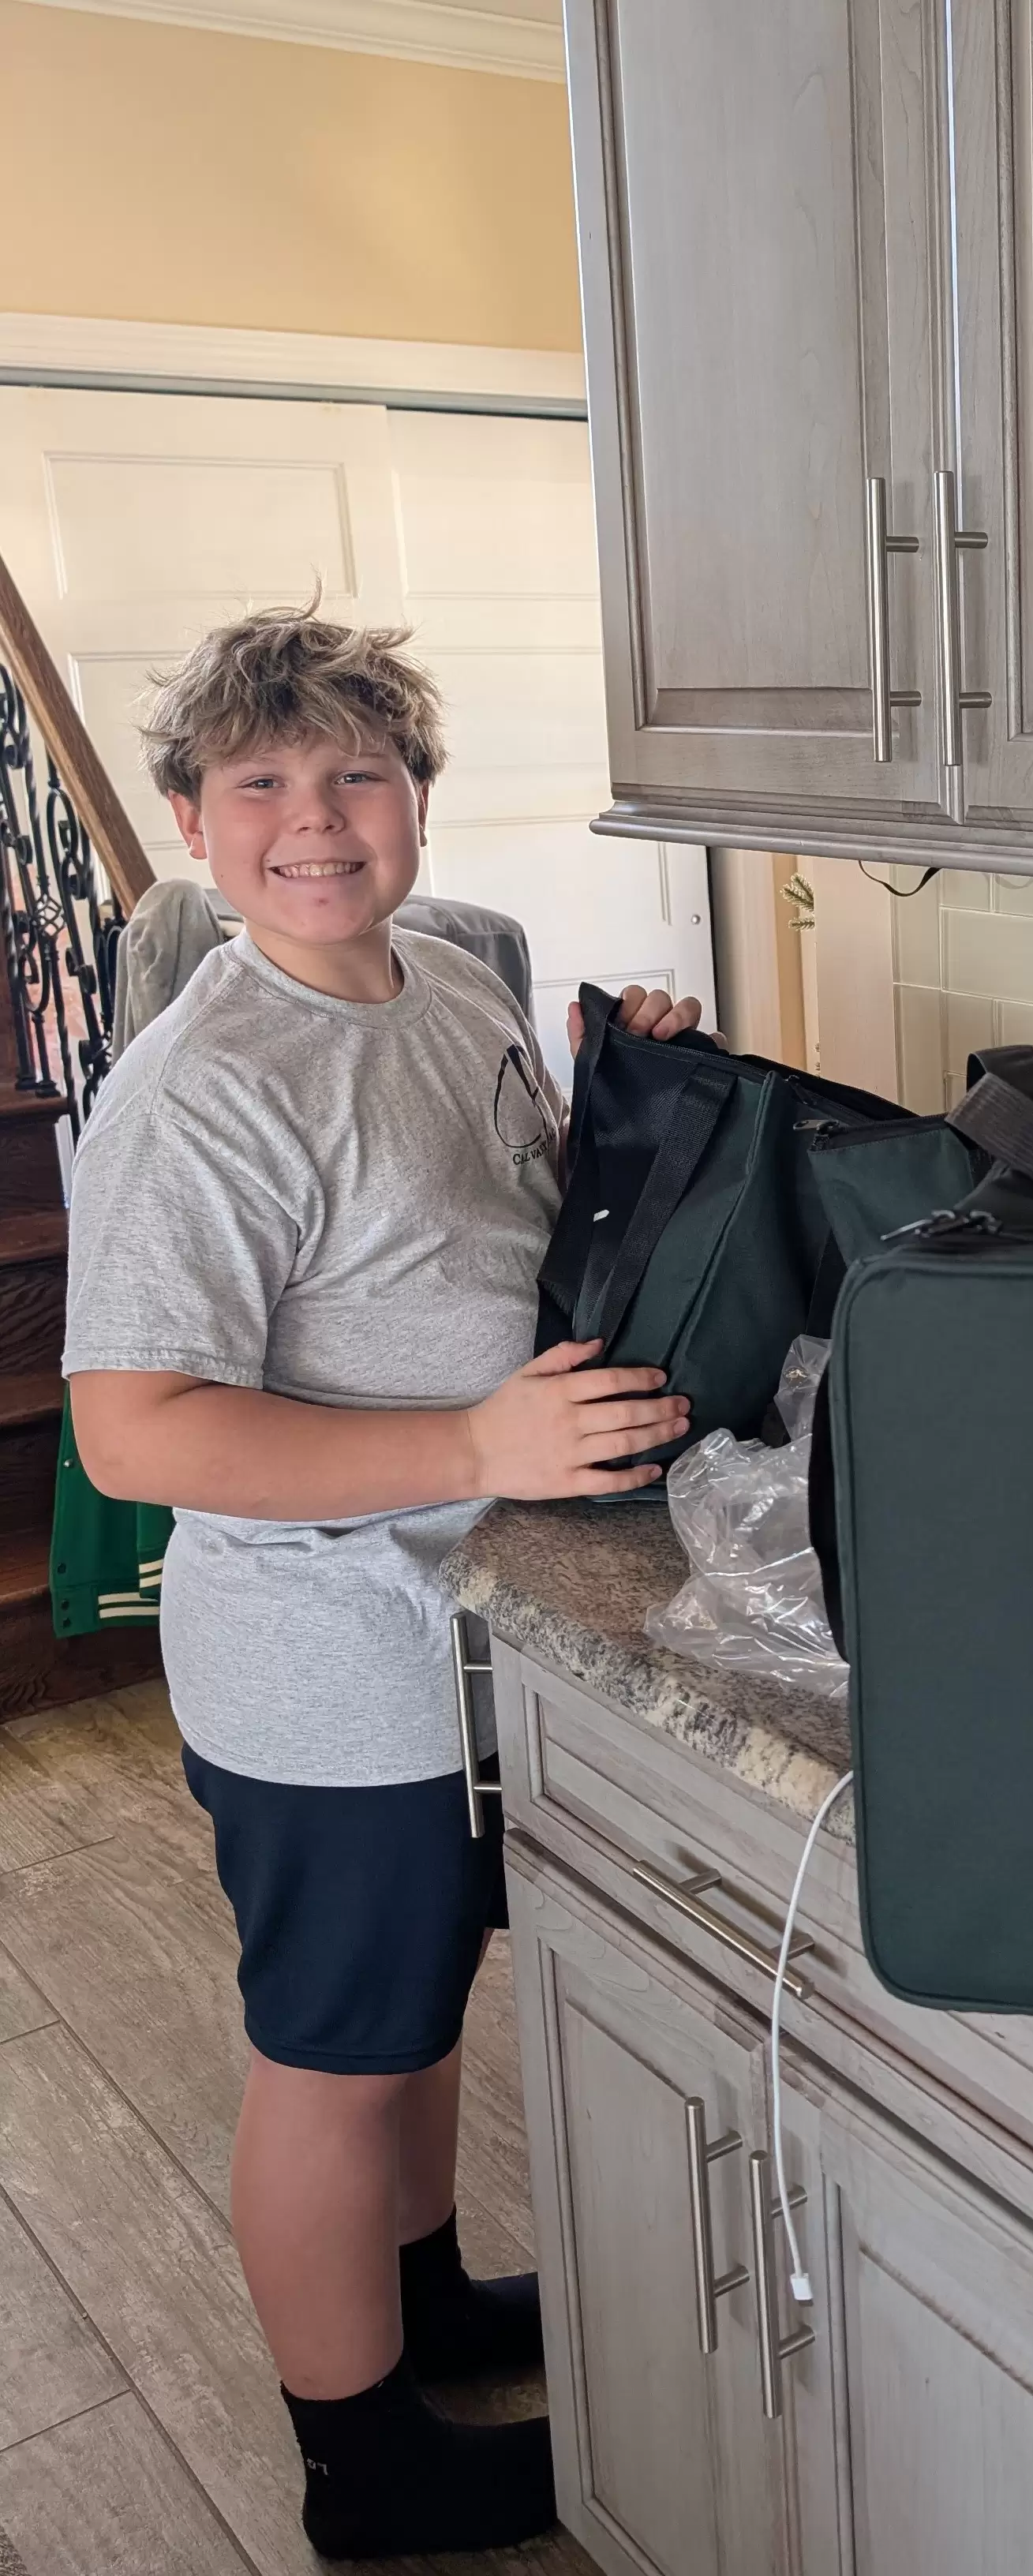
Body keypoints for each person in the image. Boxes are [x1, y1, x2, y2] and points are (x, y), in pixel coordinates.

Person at [64, 605, 706, 2559]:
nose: (317, 820)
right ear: (194, 822)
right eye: (260, 782)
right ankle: (364, 2465)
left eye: (359, 773)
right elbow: (136, 1434)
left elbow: (468, 1234)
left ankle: (416, 2308)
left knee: (412, 2019)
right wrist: (472, 1451)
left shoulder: (451, 982)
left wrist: (619, 1101)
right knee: (333, 2062)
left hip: (464, 1631)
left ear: (418, 799)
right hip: (330, 1672)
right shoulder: (203, 1086)